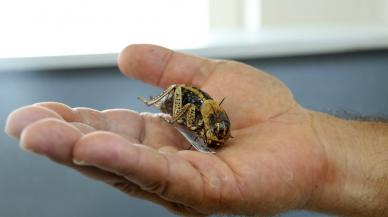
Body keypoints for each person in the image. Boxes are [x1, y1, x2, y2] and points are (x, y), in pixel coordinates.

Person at [4, 44, 388, 217]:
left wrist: (321, 154)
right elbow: (182, 105)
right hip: (189, 108)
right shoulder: (188, 105)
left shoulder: (212, 120)